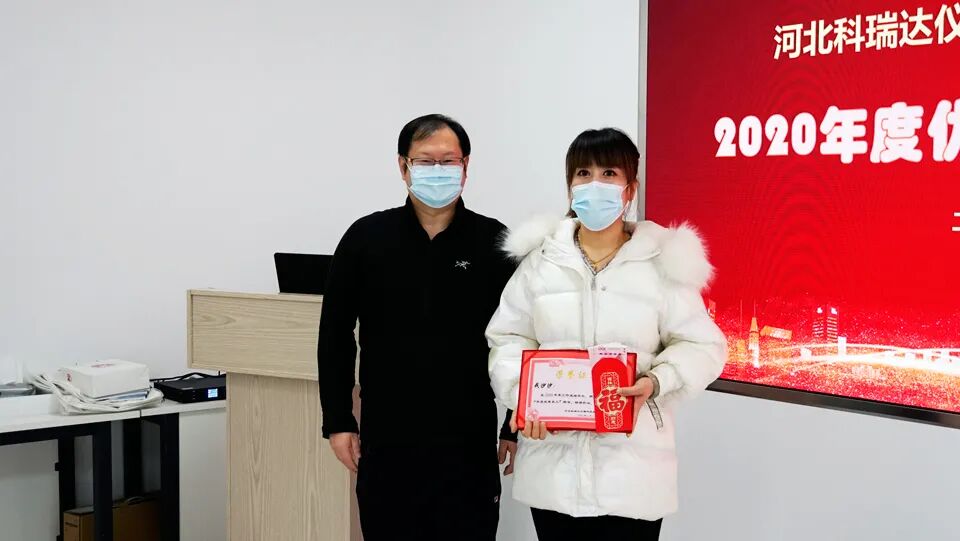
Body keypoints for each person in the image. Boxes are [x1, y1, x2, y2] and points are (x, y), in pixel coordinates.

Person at [486, 128, 728, 540]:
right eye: (583, 173)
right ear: (569, 186)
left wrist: (657, 381)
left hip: (633, 475)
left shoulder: (661, 262)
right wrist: (522, 398)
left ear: (630, 188)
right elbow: (507, 337)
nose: (594, 184)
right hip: (554, 473)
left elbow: (703, 345)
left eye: (609, 173)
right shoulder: (541, 262)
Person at [317, 114, 518, 541]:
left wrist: (513, 424)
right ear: (403, 166)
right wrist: (338, 420)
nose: (438, 170)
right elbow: (334, 334)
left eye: (449, 160)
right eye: (425, 161)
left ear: (466, 166)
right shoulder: (366, 238)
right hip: (388, 438)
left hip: (467, 439)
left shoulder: (495, 241)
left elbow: (522, 338)